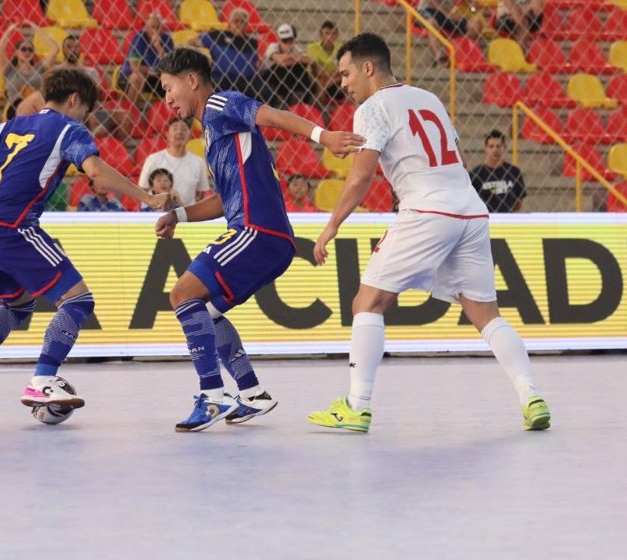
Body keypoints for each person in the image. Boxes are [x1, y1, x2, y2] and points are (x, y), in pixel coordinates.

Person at [308, 33, 550, 433]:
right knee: (485, 314)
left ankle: (356, 405)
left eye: (347, 73)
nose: (343, 83)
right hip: (471, 210)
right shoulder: (428, 97)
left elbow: (361, 176)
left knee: (366, 303)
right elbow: (459, 157)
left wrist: (331, 225)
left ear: (369, 69)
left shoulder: (372, 108)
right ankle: (531, 396)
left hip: (427, 208)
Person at [0, 68, 168, 417]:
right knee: (78, 300)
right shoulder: (69, 128)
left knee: (18, 306)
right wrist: (148, 197)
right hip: (16, 227)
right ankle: (43, 379)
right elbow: (95, 171)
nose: (86, 119)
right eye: (86, 112)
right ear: (75, 100)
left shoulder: (13, 125)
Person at [153, 47, 364, 432]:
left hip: (256, 231)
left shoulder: (220, 104)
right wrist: (178, 215)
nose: (166, 98)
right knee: (206, 313)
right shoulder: (214, 132)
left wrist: (324, 136)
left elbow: (275, 116)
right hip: (266, 237)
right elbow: (222, 200)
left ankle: (213, 394)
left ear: (192, 81)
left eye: (169, 88)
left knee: (182, 296)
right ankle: (250, 392)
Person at [137, 117, 211, 206]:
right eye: (175, 128)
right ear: (167, 135)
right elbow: (143, 190)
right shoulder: (153, 159)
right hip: (157, 213)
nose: (179, 132)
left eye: (184, 129)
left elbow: (200, 195)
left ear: (190, 135)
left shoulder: (199, 162)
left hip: (188, 215)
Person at [0, 21, 59, 119]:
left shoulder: (39, 69)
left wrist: (38, 30)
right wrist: (10, 30)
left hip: (37, 109)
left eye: (30, 50)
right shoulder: (10, 71)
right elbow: (0, 49)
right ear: (16, 53)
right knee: (37, 97)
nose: (27, 52)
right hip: (17, 108)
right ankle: (52, 124)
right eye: (23, 49)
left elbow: (55, 49)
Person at [190, 8, 259, 95]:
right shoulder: (218, 35)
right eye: (236, 21)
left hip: (246, 79)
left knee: (265, 90)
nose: (239, 24)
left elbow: (256, 62)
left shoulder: (252, 42)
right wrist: (200, 47)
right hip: (221, 77)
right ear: (230, 23)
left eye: (243, 22)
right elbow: (191, 40)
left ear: (246, 25)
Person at [119, 12, 173, 104]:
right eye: (152, 27)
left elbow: (170, 66)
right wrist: (155, 71)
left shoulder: (167, 40)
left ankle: (167, 115)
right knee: (137, 78)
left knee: (175, 82)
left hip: (155, 78)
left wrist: (158, 47)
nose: (155, 30)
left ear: (162, 28)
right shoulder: (139, 38)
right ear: (147, 28)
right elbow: (135, 67)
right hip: (130, 76)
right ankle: (131, 113)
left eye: (158, 27)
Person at [469, 129, 526, 212]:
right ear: (485, 148)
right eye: (491, 146)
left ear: (505, 148)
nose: (495, 150)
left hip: (507, 220)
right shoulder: (475, 174)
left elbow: (519, 202)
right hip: (486, 219)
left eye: (498, 146)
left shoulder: (514, 172)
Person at [260, 23, 315, 108]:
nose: (288, 44)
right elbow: (280, 61)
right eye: (285, 41)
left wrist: (292, 59)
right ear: (279, 40)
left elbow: (309, 60)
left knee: (299, 67)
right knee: (285, 68)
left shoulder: (295, 48)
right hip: (271, 80)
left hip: (288, 80)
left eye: (290, 41)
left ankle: (299, 95)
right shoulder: (273, 46)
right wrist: (293, 56)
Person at [417, 0, 485, 65]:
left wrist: (473, 7)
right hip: (427, 10)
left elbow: (471, 7)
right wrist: (447, 13)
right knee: (431, 23)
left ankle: (458, 49)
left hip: (448, 15)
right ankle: (440, 57)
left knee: (477, 25)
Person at [306, 20, 345, 102]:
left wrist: (332, 79)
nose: (330, 37)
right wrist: (330, 77)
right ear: (320, 34)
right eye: (327, 33)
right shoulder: (313, 48)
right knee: (320, 82)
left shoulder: (341, 48)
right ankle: (321, 108)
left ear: (337, 35)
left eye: (333, 33)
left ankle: (346, 108)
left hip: (336, 79)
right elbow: (316, 72)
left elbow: (343, 70)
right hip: (318, 79)